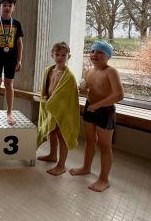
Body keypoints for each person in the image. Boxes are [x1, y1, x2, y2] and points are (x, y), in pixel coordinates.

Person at [70, 40, 124, 192]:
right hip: (90, 108)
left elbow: (119, 95)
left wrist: (98, 105)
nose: (95, 54)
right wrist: (83, 90)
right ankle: (86, 167)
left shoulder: (111, 72)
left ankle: (104, 179)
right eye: (93, 51)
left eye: (100, 52)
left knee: (104, 146)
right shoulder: (89, 72)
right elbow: (89, 90)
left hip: (105, 111)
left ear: (108, 56)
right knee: (89, 141)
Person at [37, 42, 80, 175]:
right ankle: (52, 155)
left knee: (62, 135)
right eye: (57, 54)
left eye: (63, 55)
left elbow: (69, 97)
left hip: (62, 109)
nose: (60, 57)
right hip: (50, 107)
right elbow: (46, 87)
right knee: (52, 132)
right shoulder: (49, 71)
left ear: (69, 56)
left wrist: (54, 102)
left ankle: (61, 165)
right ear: (52, 55)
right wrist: (44, 96)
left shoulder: (69, 76)